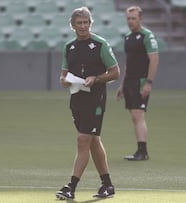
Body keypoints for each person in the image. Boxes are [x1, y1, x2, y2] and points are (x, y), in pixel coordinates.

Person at [56, 6, 120, 200]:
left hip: (96, 98)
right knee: (93, 141)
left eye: (86, 22)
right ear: (73, 26)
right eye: (79, 23)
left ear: (90, 24)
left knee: (83, 140)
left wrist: (96, 78)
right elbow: (63, 75)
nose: (83, 26)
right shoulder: (69, 47)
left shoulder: (100, 44)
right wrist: (64, 81)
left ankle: (71, 186)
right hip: (77, 98)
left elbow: (115, 73)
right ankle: (107, 185)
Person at [116, 6, 159, 161]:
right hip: (130, 81)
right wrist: (122, 84)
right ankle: (140, 150)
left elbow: (154, 59)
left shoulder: (147, 36)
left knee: (138, 115)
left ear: (141, 19)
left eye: (134, 18)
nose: (131, 21)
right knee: (134, 117)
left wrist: (149, 82)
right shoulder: (128, 37)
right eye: (128, 18)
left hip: (141, 81)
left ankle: (143, 151)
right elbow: (128, 62)